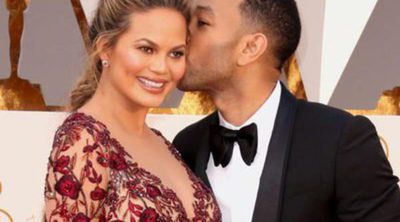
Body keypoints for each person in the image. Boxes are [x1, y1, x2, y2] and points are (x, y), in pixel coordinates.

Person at [173, 0, 400, 221]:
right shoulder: (186, 146)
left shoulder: (340, 140)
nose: (181, 35)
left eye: (201, 23)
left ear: (250, 47)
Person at [43, 0, 221, 221]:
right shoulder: (84, 141)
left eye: (175, 53)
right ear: (105, 48)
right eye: (146, 49)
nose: (161, 68)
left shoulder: (165, 144)